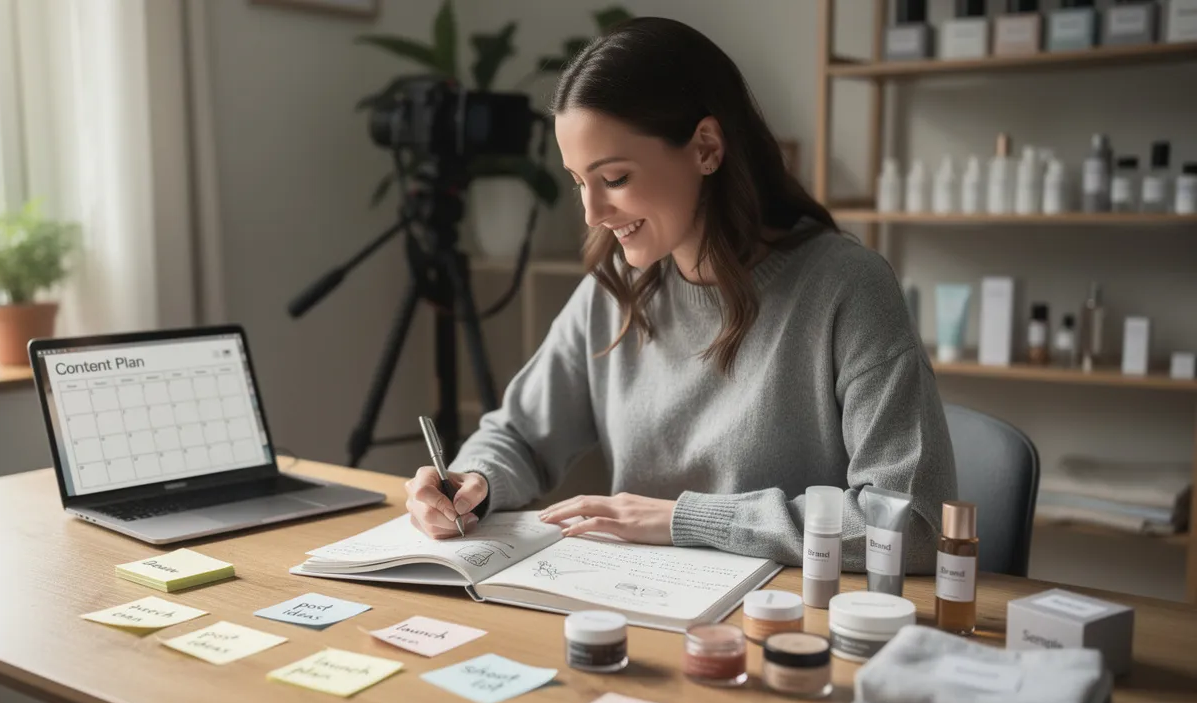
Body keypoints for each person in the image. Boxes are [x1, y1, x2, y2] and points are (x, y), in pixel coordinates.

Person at [403, 16, 956, 574]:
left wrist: (686, 520)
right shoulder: (614, 290)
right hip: (638, 601)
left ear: (706, 148)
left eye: (614, 179)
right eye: (579, 183)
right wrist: (473, 480)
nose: (592, 213)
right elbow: (520, 435)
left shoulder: (848, 288)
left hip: (787, 613)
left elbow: (910, 524)